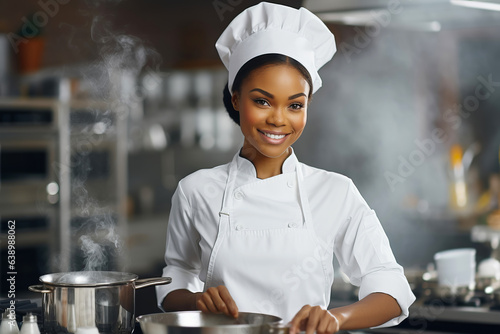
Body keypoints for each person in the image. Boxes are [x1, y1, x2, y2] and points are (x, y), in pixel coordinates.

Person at [156, 2, 416, 333]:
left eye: (295, 105)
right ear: (236, 99)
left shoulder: (335, 191)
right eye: (262, 101)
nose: (279, 119)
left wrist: (336, 318)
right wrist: (197, 302)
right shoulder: (196, 191)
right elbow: (174, 277)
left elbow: (391, 287)